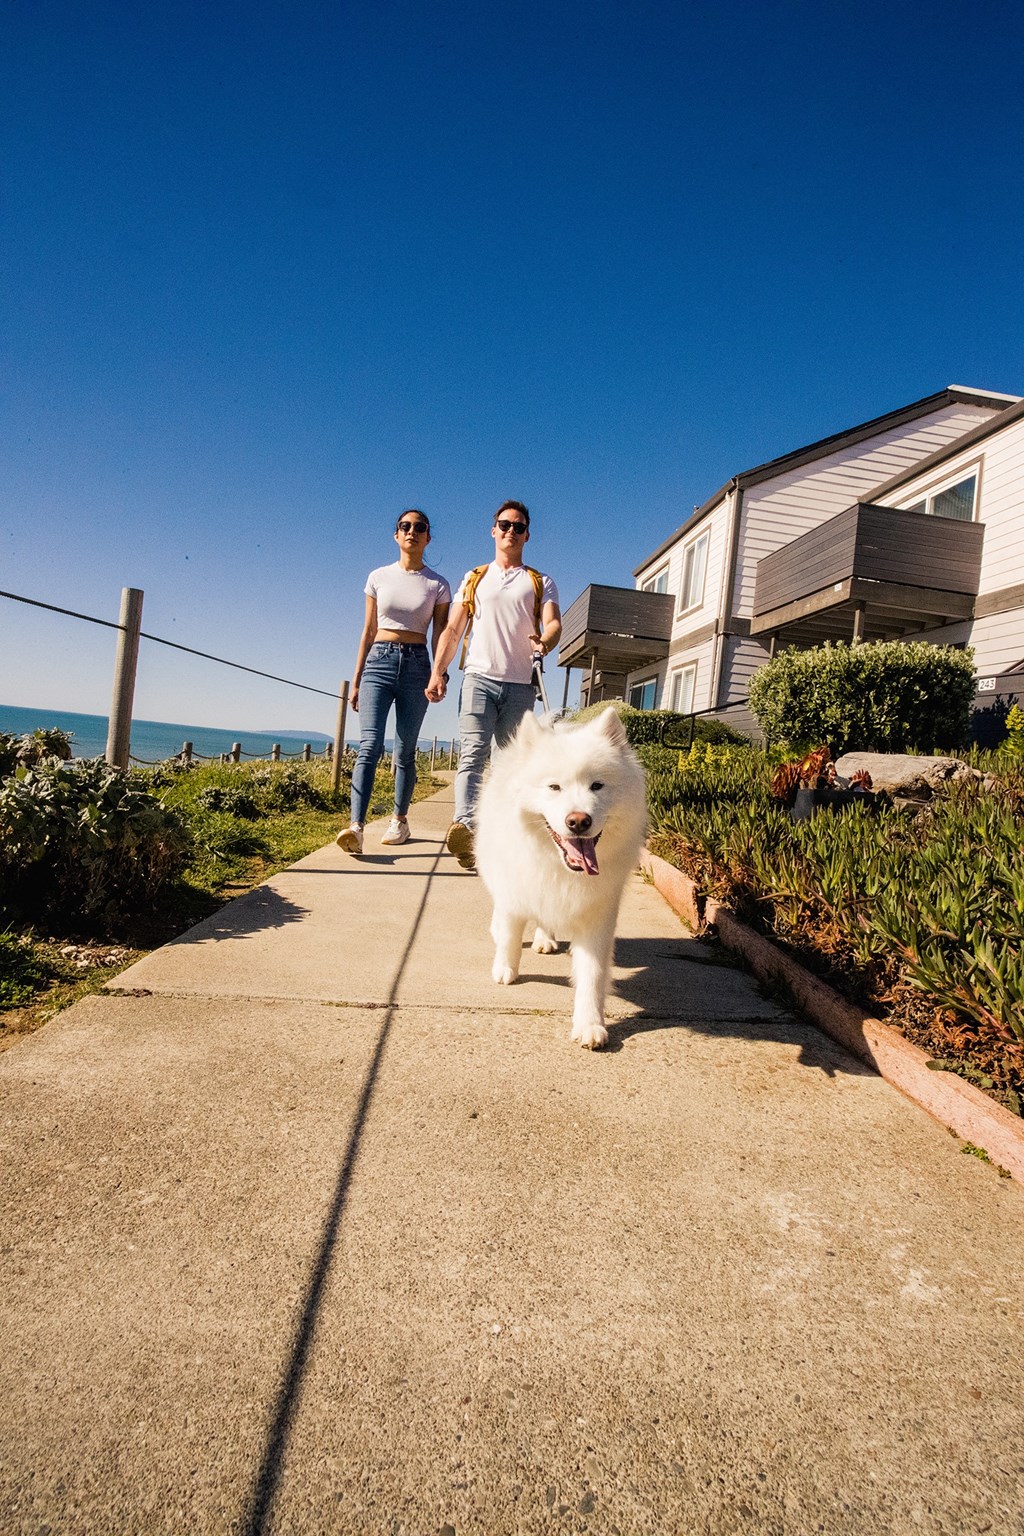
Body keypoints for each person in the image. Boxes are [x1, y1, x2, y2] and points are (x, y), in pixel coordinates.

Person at [425, 499, 561, 868]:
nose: (510, 532)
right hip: (478, 678)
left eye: (518, 527)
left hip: (520, 684)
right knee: (471, 754)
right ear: (493, 530)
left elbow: (553, 624)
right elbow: (453, 629)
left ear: (527, 534)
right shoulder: (475, 577)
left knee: (508, 764)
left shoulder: (540, 581)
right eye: (504, 525)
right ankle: (465, 827)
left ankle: (497, 832)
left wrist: (545, 641)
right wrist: (438, 671)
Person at [337, 511, 451, 854]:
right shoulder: (378, 577)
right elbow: (368, 631)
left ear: (428, 538)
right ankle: (356, 827)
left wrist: (439, 673)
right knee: (369, 746)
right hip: (379, 662)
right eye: (405, 527)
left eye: (419, 528)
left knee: (405, 750)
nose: (412, 532)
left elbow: (441, 634)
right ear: (396, 535)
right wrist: (357, 679)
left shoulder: (438, 584)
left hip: (418, 665)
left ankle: (399, 820)